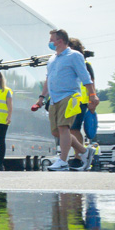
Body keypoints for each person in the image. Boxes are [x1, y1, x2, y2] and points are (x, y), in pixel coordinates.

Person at [35, 28, 92, 170]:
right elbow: (48, 79)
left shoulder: (74, 56)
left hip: (69, 96)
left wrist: (92, 96)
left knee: (63, 127)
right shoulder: (52, 59)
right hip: (54, 98)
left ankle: (63, 161)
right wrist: (41, 98)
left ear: (59, 41)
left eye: (51, 40)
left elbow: (85, 78)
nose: (49, 43)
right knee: (56, 131)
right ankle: (84, 151)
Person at [69, 37, 99, 168]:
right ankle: (81, 153)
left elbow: (91, 81)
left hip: (80, 100)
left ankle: (79, 156)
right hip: (71, 99)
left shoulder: (85, 64)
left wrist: (93, 98)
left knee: (73, 129)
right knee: (69, 129)